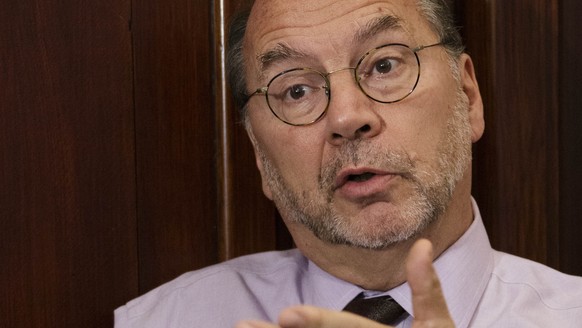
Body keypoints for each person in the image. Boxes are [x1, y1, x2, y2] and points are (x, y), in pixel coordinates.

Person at [114, 0, 582, 327]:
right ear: (259, 153)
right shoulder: (160, 321)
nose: (346, 117)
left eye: (384, 65)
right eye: (295, 90)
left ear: (468, 97)